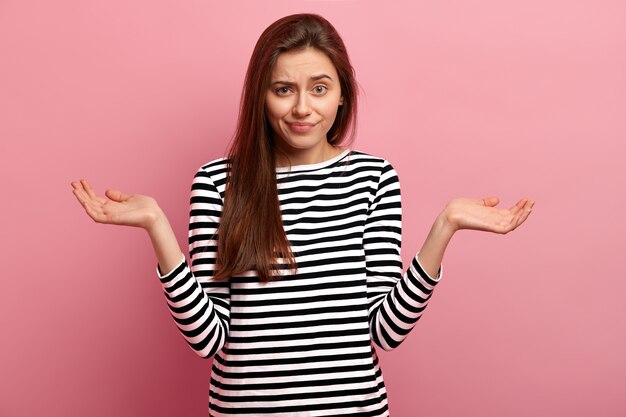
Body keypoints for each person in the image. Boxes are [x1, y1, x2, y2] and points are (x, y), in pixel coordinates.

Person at [71, 13, 533, 417]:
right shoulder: (217, 183)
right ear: (261, 96)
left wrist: (445, 226)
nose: (302, 108)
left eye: (319, 88)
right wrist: (156, 226)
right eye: (283, 89)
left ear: (342, 97)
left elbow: (385, 330)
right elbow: (207, 339)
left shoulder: (373, 178)